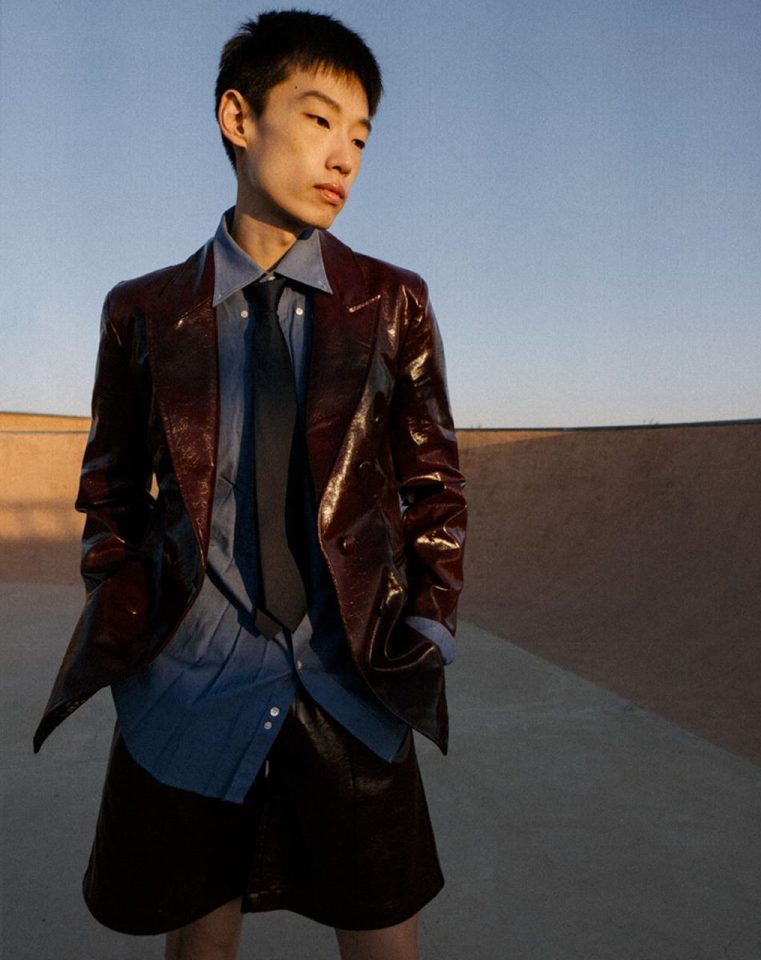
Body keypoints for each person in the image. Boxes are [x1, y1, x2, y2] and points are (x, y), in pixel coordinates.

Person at [34, 10, 466, 960]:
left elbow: (435, 481)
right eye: (318, 119)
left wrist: (426, 626)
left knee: (386, 943)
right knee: (202, 945)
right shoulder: (144, 311)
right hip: (192, 680)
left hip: (351, 679)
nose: (343, 156)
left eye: (361, 138)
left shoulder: (394, 301)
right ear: (239, 117)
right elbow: (109, 491)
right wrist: (130, 618)